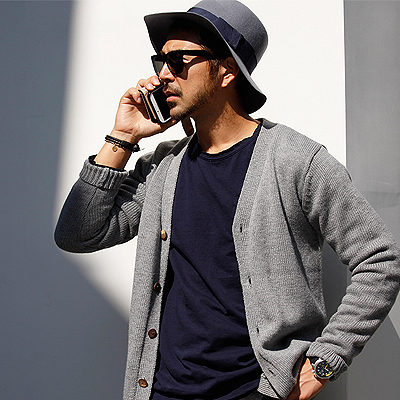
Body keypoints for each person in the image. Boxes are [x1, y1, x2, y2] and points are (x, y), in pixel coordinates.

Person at [54, 1, 400, 399]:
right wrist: (123, 137)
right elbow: (78, 234)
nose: (162, 75)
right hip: (163, 391)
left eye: (178, 61)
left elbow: (380, 260)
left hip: (255, 392)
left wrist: (325, 362)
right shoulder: (163, 167)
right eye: (160, 61)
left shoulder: (296, 161)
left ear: (227, 70)